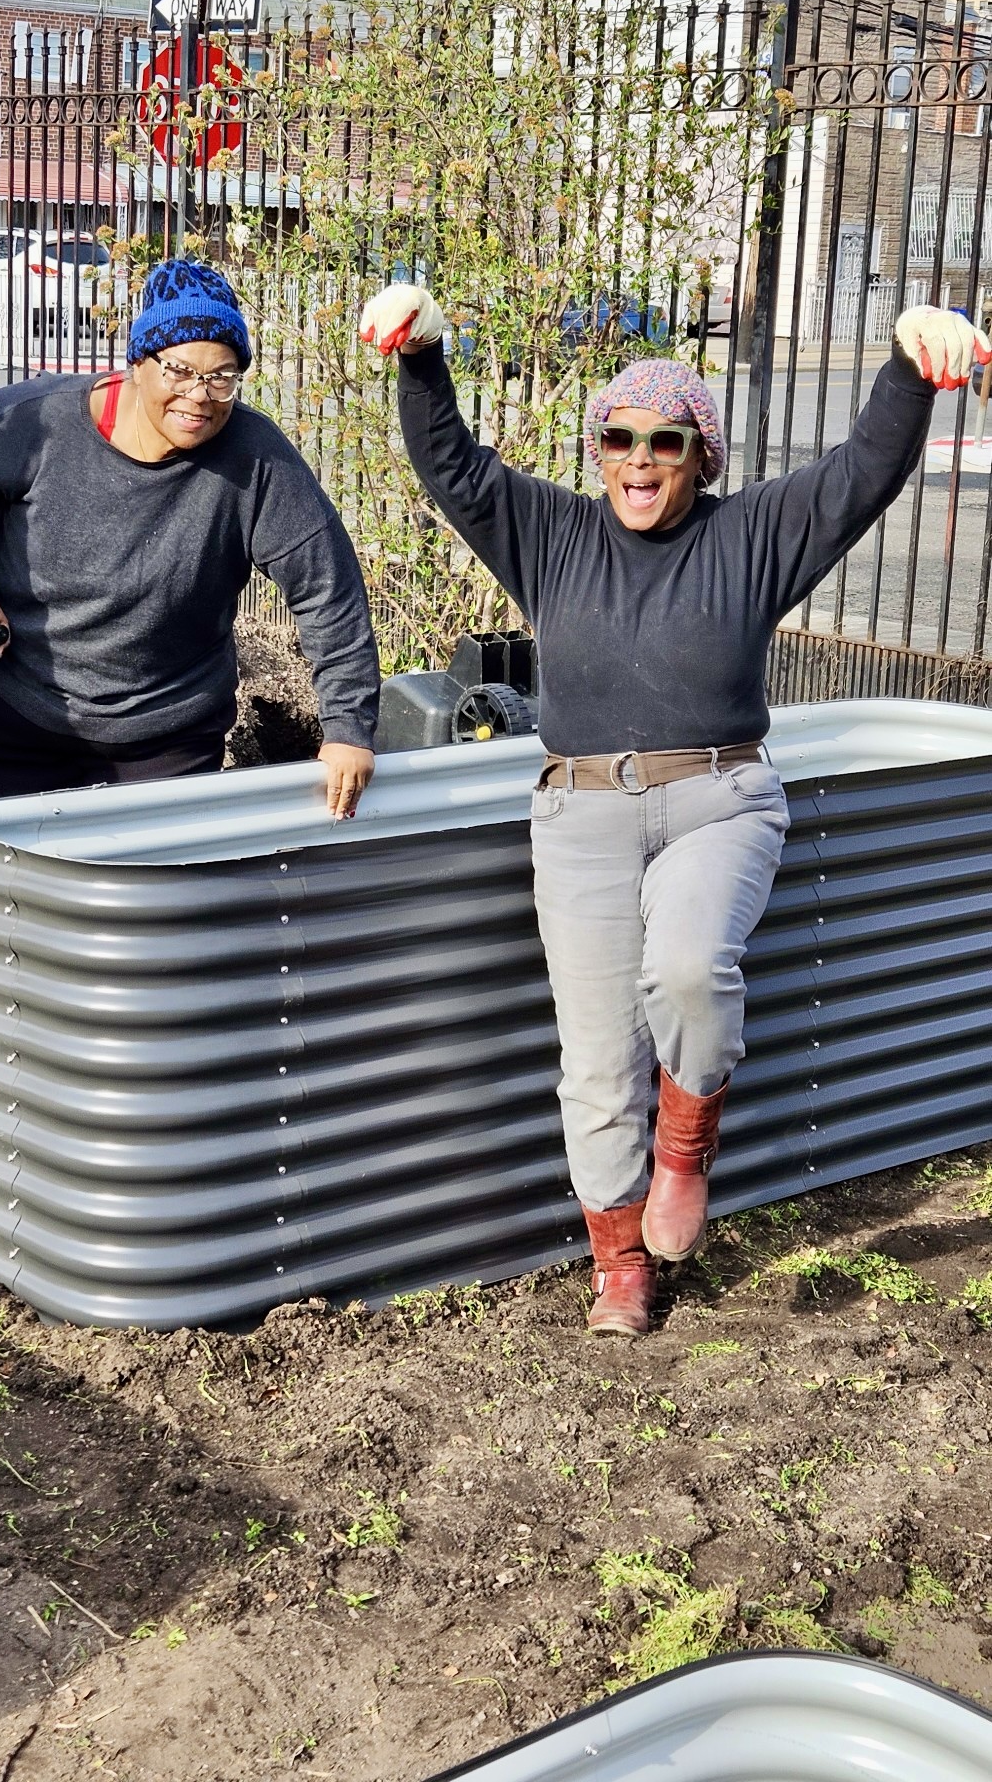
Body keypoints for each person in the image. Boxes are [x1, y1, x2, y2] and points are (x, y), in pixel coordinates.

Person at [358, 282, 988, 1335]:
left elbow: (860, 474)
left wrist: (906, 368)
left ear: (702, 457)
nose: (639, 460)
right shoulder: (551, 533)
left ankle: (685, 1155)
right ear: (598, 451)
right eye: (619, 439)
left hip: (718, 798)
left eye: (665, 441)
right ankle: (619, 1265)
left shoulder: (751, 536)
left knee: (690, 969)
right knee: (599, 1062)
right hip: (582, 814)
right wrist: (422, 358)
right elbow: (454, 467)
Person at [0, 257, 379, 811]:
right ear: (139, 362)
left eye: (221, 376)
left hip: (168, 734)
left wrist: (347, 728)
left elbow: (328, 589)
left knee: (159, 867)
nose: (200, 395)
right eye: (179, 370)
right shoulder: (39, 425)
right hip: (23, 715)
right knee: (30, 868)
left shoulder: (258, 462)